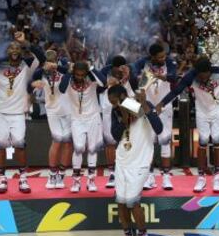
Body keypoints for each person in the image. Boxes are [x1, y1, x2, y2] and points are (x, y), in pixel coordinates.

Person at [157, 56, 219, 192]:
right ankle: (201, 178)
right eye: (200, 77)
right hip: (201, 112)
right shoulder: (190, 76)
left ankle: (217, 176)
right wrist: (162, 103)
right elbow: (176, 91)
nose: (202, 79)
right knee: (202, 143)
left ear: (210, 71)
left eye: (205, 76)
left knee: (217, 142)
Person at [109, 85, 163, 236]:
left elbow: (159, 128)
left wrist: (145, 105)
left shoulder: (142, 106)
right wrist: (123, 116)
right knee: (122, 202)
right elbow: (116, 135)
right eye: (111, 103)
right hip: (122, 160)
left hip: (140, 161)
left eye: (116, 102)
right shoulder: (116, 112)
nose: (114, 106)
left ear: (124, 96)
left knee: (133, 201)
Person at [0, 32, 46, 194]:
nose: (14, 50)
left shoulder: (26, 65)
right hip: (0, 112)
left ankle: (23, 178)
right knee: (0, 145)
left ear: (21, 51)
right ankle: (2, 180)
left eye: (17, 48)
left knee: (19, 144)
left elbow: (41, 58)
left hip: (17, 114)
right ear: (6, 52)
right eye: (11, 48)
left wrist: (25, 42)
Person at [132, 43, 177, 190]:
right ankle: (149, 176)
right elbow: (133, 71)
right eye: (160, 57)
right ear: (152, 57)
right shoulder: (143, 62)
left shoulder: (169, 62)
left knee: (165, 140)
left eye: (164, 55)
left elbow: (173, 77)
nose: (163, 58)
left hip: (164, 105)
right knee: (148, 142)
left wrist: (161, 76)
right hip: (148, 106)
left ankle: (166, 177)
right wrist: (141, 77)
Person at [59, 61, 106, 192]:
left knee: (92, 149)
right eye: (77, 74)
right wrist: (69, 71)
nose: (80, 77)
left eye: (82, 74)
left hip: (93, 117)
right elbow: (61, 89)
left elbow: (104, 82)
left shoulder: (91, 80)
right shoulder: (68, 81)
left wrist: (91, 68)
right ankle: (76, 181)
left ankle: (91, 180)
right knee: (79, 148)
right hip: (77, 119)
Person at [31, 50, 72, 189]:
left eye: (53, 60)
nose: (51, 62)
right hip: (52, 110)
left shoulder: (64, 69)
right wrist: (43, 68)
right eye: (48, 60)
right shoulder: (41, 72)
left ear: (57, 59)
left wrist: (57, 67)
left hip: (68, 111)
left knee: (67, 143)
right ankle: (52, 174)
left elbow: (68, 72)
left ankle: (61, 174)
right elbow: (32, 79)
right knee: (56, 141)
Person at [99, 55, 138, 188]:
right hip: (108, 112)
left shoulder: (130, 77)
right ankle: (112, 173)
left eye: (122, 69)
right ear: (112, 68)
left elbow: (135, 98)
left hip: (125, 112)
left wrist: (127, 78)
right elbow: (97, 87)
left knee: (127, 142)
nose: (119, 71)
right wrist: (107, 83)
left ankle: (128, 172)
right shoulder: (105, 75)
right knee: (110, 142)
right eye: (117, 69)